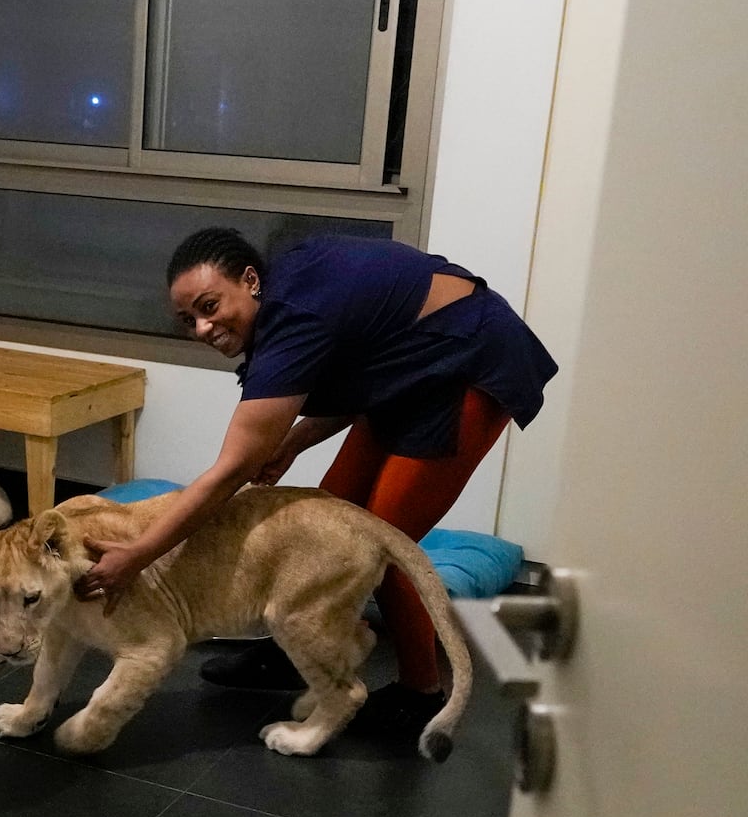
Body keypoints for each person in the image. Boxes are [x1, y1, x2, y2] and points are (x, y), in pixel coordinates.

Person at [76, 227, 558, 734]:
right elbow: (363, 363)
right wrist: (292, 443)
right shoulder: (290, 298)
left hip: (469, 359)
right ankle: (300, 647)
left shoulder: (295, 315)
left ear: (250, 279)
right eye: (189, 319)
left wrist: (139, 554)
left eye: (210, 305)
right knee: (326, 521)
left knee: (382, 544)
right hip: (411, 366)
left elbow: (232, 470)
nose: (202, 327)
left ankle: (420, 692)